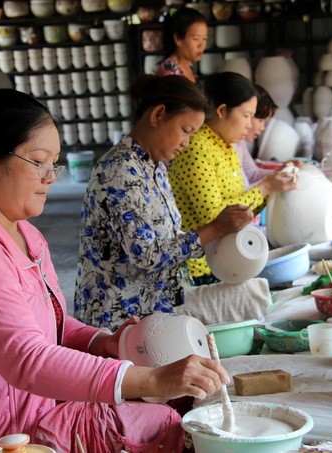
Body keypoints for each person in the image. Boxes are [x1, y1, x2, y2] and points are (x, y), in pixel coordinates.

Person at [0, 89, 231, 453]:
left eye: (54, 164)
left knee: (167, 417)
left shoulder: (24, 233)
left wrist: (101, 341)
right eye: (39, 162)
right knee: (156, 420)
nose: (50, 177)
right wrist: (150, 380)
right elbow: (27, 358)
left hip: (21, 414)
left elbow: (43, 323)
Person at [73, 75, 253, 330]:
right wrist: (216, 229)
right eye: (185, 130)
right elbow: (147, 255)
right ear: (157, 115)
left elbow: (166, 235)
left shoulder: (153, 166)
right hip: (117, 318)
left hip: (151, 310)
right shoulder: (119, 171)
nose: (186, 143)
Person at [169, 72, 298, 284]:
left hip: (226, 261)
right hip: (200, 268)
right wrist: (265, 188)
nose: (250, 124)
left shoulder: (227, 146)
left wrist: (275, 186)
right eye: (247, 115)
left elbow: (241, 210)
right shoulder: (197, 149)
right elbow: (216, 218)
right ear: (222, 111)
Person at [235, 84, 278, 190]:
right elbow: (241, 193)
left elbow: (252, 173)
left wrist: (282, 171)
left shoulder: (239, 142)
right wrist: (270, 185)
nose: (262, 128)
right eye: (260, 120)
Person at [155, 7, 208, 83]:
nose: (202, 45)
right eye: (196, 39)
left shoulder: (188, 65)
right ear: (178, 39)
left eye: (204, 39)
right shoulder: (168, 73)